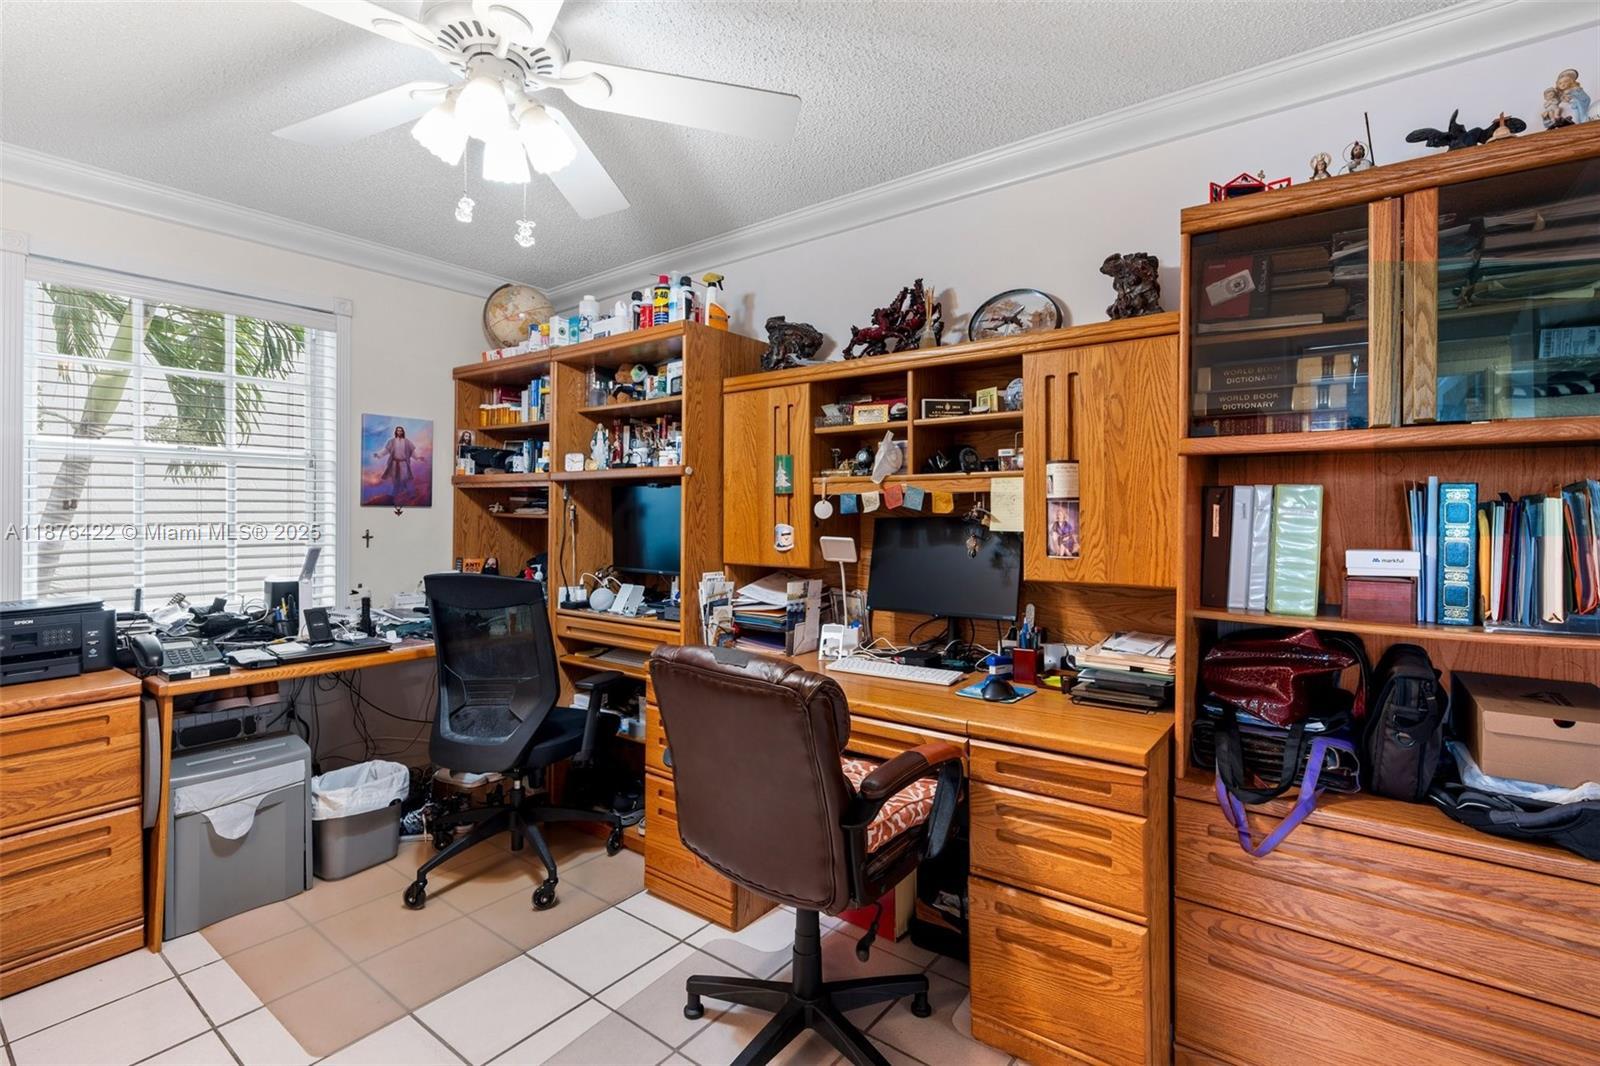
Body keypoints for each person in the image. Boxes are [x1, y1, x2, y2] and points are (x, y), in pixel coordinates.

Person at [374, 425, 417, 513]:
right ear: (396, 432)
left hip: (403, 463)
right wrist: (378, 454)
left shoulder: (407, 442)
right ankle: (392, 496)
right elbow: (386, 450)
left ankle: (410, 494)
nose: (399, 432)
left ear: (403, 432)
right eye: (398, 430)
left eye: (401, 430)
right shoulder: (392, 441)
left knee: (405, 479)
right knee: (395, 480)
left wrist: (418, 457)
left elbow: (412, 452)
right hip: (394, 463)